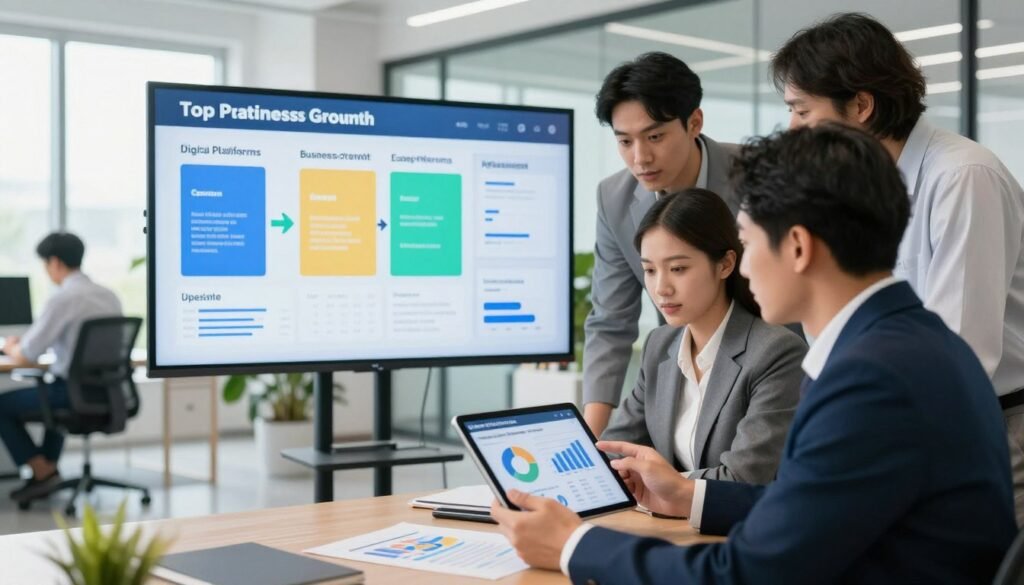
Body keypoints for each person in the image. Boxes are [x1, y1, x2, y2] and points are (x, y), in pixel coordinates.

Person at [491, 125, 1016, 584]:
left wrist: (572, 546)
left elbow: (749, 573)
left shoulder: (870, 378)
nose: (742, 266)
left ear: (797, 246)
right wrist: (688, 496)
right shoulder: (914, 341)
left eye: (746, 240)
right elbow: (815, 511)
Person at [772, 12, 1024, 523]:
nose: (792, 128)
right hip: (905, 415)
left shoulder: (961, 176)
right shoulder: (859, 186)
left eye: (802, 110)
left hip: (991, 423)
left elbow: (962, 351)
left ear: (861, 105)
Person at [600, 187, 805, 483]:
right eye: (650, 270)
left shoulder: (776, 352)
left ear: (725, 264)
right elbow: (617, 450)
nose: (661, 288)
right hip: (671, 523)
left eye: (678, 268)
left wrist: (662, 483)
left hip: (739, 526)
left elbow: (744, 477)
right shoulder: (660, 345)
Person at [583, 51, 739, 437]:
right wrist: (590, 438)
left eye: (655, 136)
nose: (641, 158)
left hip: (771, 373)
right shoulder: (615, 198)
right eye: (624, 141)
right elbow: (610, 322)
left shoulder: (758, 174)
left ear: (694, 122)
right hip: (684, 375)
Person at [0, 232, 122, 503]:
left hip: (70, 393)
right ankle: (48, 471)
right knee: (51, 392)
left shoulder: (63, 299)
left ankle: (41, 469)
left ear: (54, 263)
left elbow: (27, 355)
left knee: (5, 404)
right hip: (108, 393)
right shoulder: (109, 296)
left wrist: (9, 347)